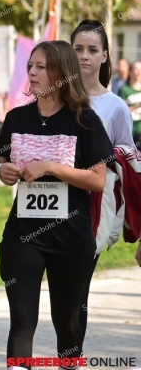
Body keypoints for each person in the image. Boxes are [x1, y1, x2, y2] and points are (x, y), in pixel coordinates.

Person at [0, 41, 113, 370]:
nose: (31, 72)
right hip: (22, 236)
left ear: (62, 73)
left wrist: (50, 167)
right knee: (21, 320)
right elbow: (5, 167)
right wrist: (5, 172)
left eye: (41, 67)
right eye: (30, 66)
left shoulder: (85, 120)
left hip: (71, 237)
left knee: (68, 323)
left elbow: (97, 180)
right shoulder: (16, 118)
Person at [70, 19, 136, 343]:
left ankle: (71, 358)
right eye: (78, 49)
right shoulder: (53, 99)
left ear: (105, 56)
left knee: (77, 290)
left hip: (94, 208)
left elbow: (129, 159)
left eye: (92, 50)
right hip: (51, 207)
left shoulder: (116, 107)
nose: (84, 56)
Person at [118, 61, 141, 147]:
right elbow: (120, 110)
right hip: (128, 129)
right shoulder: (124, 89)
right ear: (130, 72)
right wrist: (136, 106)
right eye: (136, 69)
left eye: (140, 70)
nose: (139, 72)